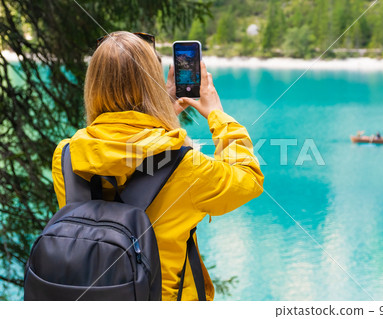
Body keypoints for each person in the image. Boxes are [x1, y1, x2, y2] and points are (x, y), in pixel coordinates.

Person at [51, 31, 264, 300]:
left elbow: (122, 151)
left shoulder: (67, 156)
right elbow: (249, 178)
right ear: (151, 84)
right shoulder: (184, 164)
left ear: (93, 85)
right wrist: (218, 114)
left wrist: (157, 112)